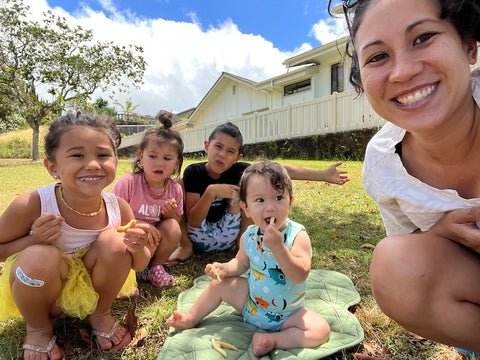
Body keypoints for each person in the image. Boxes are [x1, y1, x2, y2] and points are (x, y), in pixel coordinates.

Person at [328, 0, 480, 353]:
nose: (402, 72)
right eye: (378, 57)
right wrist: (439, 232)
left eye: (423, 37)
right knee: (395, 266)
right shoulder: (382, 164)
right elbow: (413, 253)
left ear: (469, 45)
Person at [0, 113, 152, 359]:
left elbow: (141, 264)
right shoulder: (33, 203)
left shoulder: (118, 207)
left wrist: (138, 247)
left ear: (115, 160)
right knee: (40, 256)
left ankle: (100, 314)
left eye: (103, 155)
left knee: (115, 241)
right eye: (77, 155)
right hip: (44, 296)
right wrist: (33, 240)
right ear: (53, 167)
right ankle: (38, 328)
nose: (92, 164)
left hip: (94, 295)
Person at [166, 161, 331, 357]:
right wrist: (225, 269)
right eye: (260, 200)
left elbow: (300, 275)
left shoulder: (297, 235)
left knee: (320, 330)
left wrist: (278, 248)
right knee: (219, 285)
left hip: (289, 314)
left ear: (290, 202)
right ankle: (191, 318)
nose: (270, 208)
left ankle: (274, 340)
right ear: (246, 208)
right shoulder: (249, 235)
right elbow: (242, 262)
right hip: (252, 303)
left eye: (278, 198)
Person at [167, 121, 350, 262]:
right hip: (199, 236)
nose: (222, 154)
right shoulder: (194, 172)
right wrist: (211, 192)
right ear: (207, 146)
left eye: (230, 151)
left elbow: (278, 169)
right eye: (218, 147)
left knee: (249, 186)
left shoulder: (239, 170)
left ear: (238, 157)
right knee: (178, 184)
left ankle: (243, 248)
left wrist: (322, 175)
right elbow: (194, 220)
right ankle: (185, 246)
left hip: (228, 237)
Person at [112, 111, 184, 287]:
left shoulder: (175, 189)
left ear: (176, 163)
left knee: (173, 227)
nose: (159, 163)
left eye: (167, 158)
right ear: (141, 155)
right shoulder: (128, 183)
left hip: (154, 244)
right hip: (129, 240)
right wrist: (138, 224)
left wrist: (170, 216)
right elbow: (111, 216)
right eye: (152, 156)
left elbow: (177, 223)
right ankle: (127, 274)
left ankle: (154, 268)